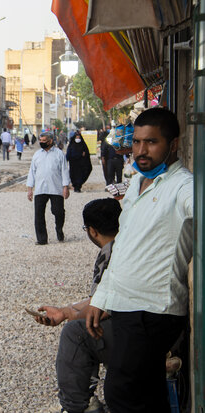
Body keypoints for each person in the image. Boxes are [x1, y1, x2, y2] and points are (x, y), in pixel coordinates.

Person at [86, 107, 193, 413]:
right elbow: (123, 247)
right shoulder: (137, 182)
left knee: (122, 392)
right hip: (125, 305)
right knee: (146, 394)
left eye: (152, 143)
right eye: (137, 142)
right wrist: (102, 296)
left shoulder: (183, 185)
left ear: (173, 144)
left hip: (152, 310)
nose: (141, 151)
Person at [34, 198, 121, 413]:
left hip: (134, 331)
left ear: (92, 231)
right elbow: (100, 299)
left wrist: (70, 316)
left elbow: (102, 309)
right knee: (79, 325)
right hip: (148, 325)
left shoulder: (113, 254)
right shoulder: (124, 245)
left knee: (77, 334)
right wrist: (65, 312)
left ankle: (77, 407)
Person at [26, 132, 70, 245]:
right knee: (39, 214)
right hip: (40, 189)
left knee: (58, 211)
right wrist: (29, 188)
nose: (41, 143)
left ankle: (59, 230)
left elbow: (64, 171)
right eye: (40, 141)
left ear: (50, 141)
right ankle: (42, 239)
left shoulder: (59, 154)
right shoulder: (37, 155)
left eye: (44, 141)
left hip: (56, 188)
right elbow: (32, 172)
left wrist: (66, 187)